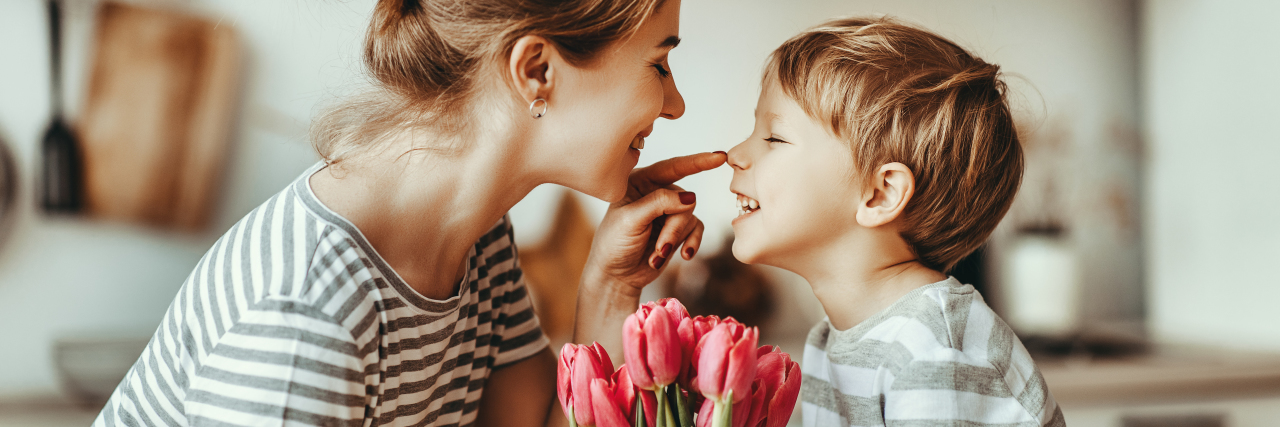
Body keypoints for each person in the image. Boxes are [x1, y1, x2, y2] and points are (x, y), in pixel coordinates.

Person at [92, 0, 725, 425]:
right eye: (659, 63)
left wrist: (612, 287)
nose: (675, 105)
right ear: (537, 70)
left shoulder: (478, 236)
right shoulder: (306, 316)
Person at [725, 17, 1066, 426]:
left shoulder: (934, 348)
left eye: (774, 138)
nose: (735, 153)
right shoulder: (830, 340)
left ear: (881, 193)